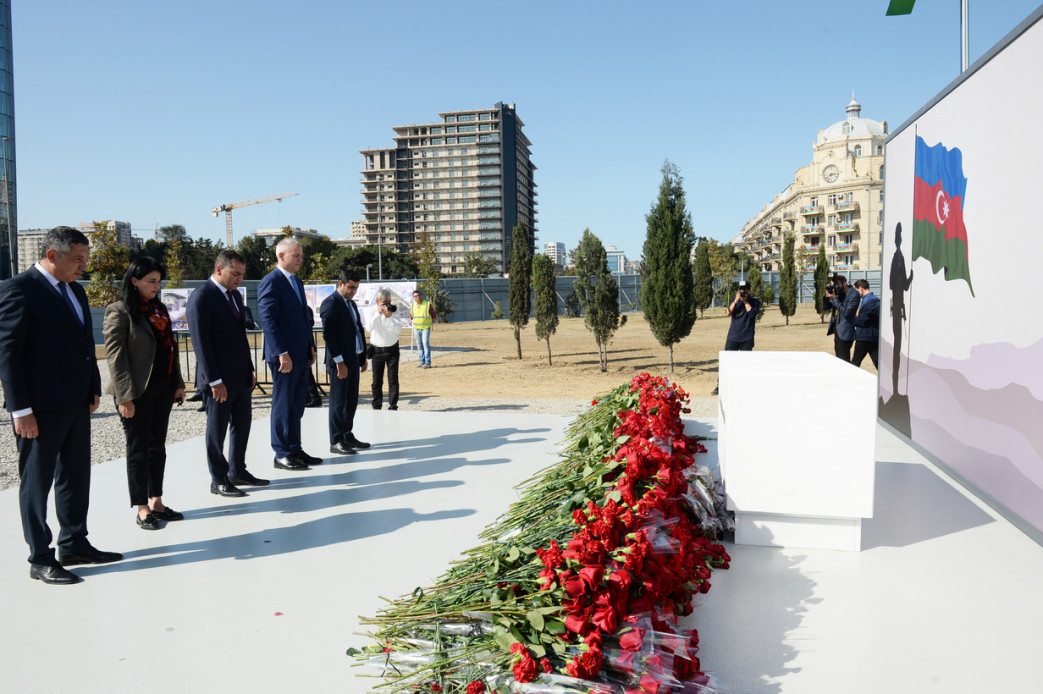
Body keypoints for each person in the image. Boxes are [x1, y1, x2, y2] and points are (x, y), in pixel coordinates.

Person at [0, 226, 122, 584]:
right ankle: (40, 557)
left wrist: (93, 386)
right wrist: (20, 410)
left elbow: (86, 342)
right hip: (38, 409)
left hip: (75, 402)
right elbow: (8, 354)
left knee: (75, 475)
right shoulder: (19, 290)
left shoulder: (74, 292)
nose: (84, 266)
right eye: (78, 259)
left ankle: (74, 542)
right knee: (36, 482)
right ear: (52, 256)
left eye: (86, 258)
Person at [103, 257, 187, 530]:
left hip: (162, 389)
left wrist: (178, 383)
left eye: (158, 281)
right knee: (138, 450)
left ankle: (157, 501)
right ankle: (141, 508)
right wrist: (124, 397)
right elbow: (116, 358)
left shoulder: (159, 309)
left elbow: (169, 348)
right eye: (151, 281)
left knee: (157, 448)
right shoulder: (120, 311)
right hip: (135, 393)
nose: (156, 286)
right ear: (134, 281)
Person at [187, 250, 268, 497]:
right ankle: (218, 479)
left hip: (239, 377)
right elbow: (201, 343)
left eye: (242, 274)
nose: (240, 279)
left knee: (242, 425)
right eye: (236, 273)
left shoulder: (233, 297)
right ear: (219, 269)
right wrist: (214, 380)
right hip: (218, 381)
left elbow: (239, 337)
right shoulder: (202, 297)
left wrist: (249, 369)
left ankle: (237, 471)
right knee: (217, 430)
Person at [257, 238, 321, 470]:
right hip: (284, 357)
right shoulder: (271, 282)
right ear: (281, 256)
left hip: (300, 354)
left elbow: (304, 318)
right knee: (283, 404)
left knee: (296, 404)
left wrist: (310, 346)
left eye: (301, 256)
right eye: (297, 256)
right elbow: (268, 320)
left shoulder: (296, 282)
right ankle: (281, 452)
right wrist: (281, 352)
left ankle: (294, 448)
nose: (300, 260)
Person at [320, 269, 370, 454]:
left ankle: (347, 435)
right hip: (340, 363)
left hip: (353, 359)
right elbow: (329, 336)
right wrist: (339, 362)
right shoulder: (331, 303)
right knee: (338, 402)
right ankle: (336, 440)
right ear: (340, 283)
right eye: (350, 287)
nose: (353, 291)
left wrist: (362, 356)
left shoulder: (351, 304)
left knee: (351, 401)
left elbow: (358, 329)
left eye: (356, 288)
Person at [710, 280, 760, 395]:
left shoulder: (755, 302)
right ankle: (720, 385)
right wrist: (736, 300)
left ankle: (744, 386)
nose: (742, 292)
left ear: (749, 291)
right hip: (733, 336)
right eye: (740, 290)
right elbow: (727, 313)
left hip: (746, 337)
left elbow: (752, 314)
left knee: (746, 363)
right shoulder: (734, 300)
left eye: (745, 290)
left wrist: (746, 301)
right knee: (726, 362)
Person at [368, 287, 403, 411]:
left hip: (392, 349)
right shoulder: (371, 311)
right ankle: (376, 405)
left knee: (393, 379)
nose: (388, 304)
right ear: (378, 301)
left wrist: (389, 316)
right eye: (384, 302)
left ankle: (393, 405)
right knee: (377, 380)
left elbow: (398, 329)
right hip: (377, 350)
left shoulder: (394, 310)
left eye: (389, 301)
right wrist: (378, 313)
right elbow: (369, 328)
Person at [889, 223, 914, 395]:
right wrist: (910, 277)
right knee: (897, 348)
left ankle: (896, 389)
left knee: (897, 347)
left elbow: (897, 284)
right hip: (897, 307)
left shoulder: (898, 258)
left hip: (898, 306)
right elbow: (901, 285)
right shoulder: (898, 258)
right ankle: (896, 389)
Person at [823, 274, 859, 362]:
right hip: (837, 330)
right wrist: (827, 296)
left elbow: (847, 313)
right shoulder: (838, 293)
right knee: (839, 359)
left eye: (837, 284)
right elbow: (826, 307)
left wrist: (835, 299)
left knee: (844, 361)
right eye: (833, 285)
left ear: (844, 283)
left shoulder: (853, 295)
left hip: (845, 332)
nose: (836, 287)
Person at [851, 279, 880, 369]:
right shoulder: (877, 301)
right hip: (875, 337)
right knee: (879, 363)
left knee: (855, 363)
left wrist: (852, 318)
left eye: (856, 291)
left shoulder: (868, 302)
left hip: (863, 337)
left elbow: (862, 321)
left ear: (861, 288)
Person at [410, 288, 436, 368]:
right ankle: (422, 361)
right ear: (413, 298)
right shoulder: (412, 305)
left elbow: (433, 314)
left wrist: (429, 322)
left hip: (425, 328)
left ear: (421, 296)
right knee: (419, 345)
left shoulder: (427, 304)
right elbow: (411, 316)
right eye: (415, 296)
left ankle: (427, 362)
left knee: (425, 344)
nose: (417, 297)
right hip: (416, 328)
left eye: (419, 295)